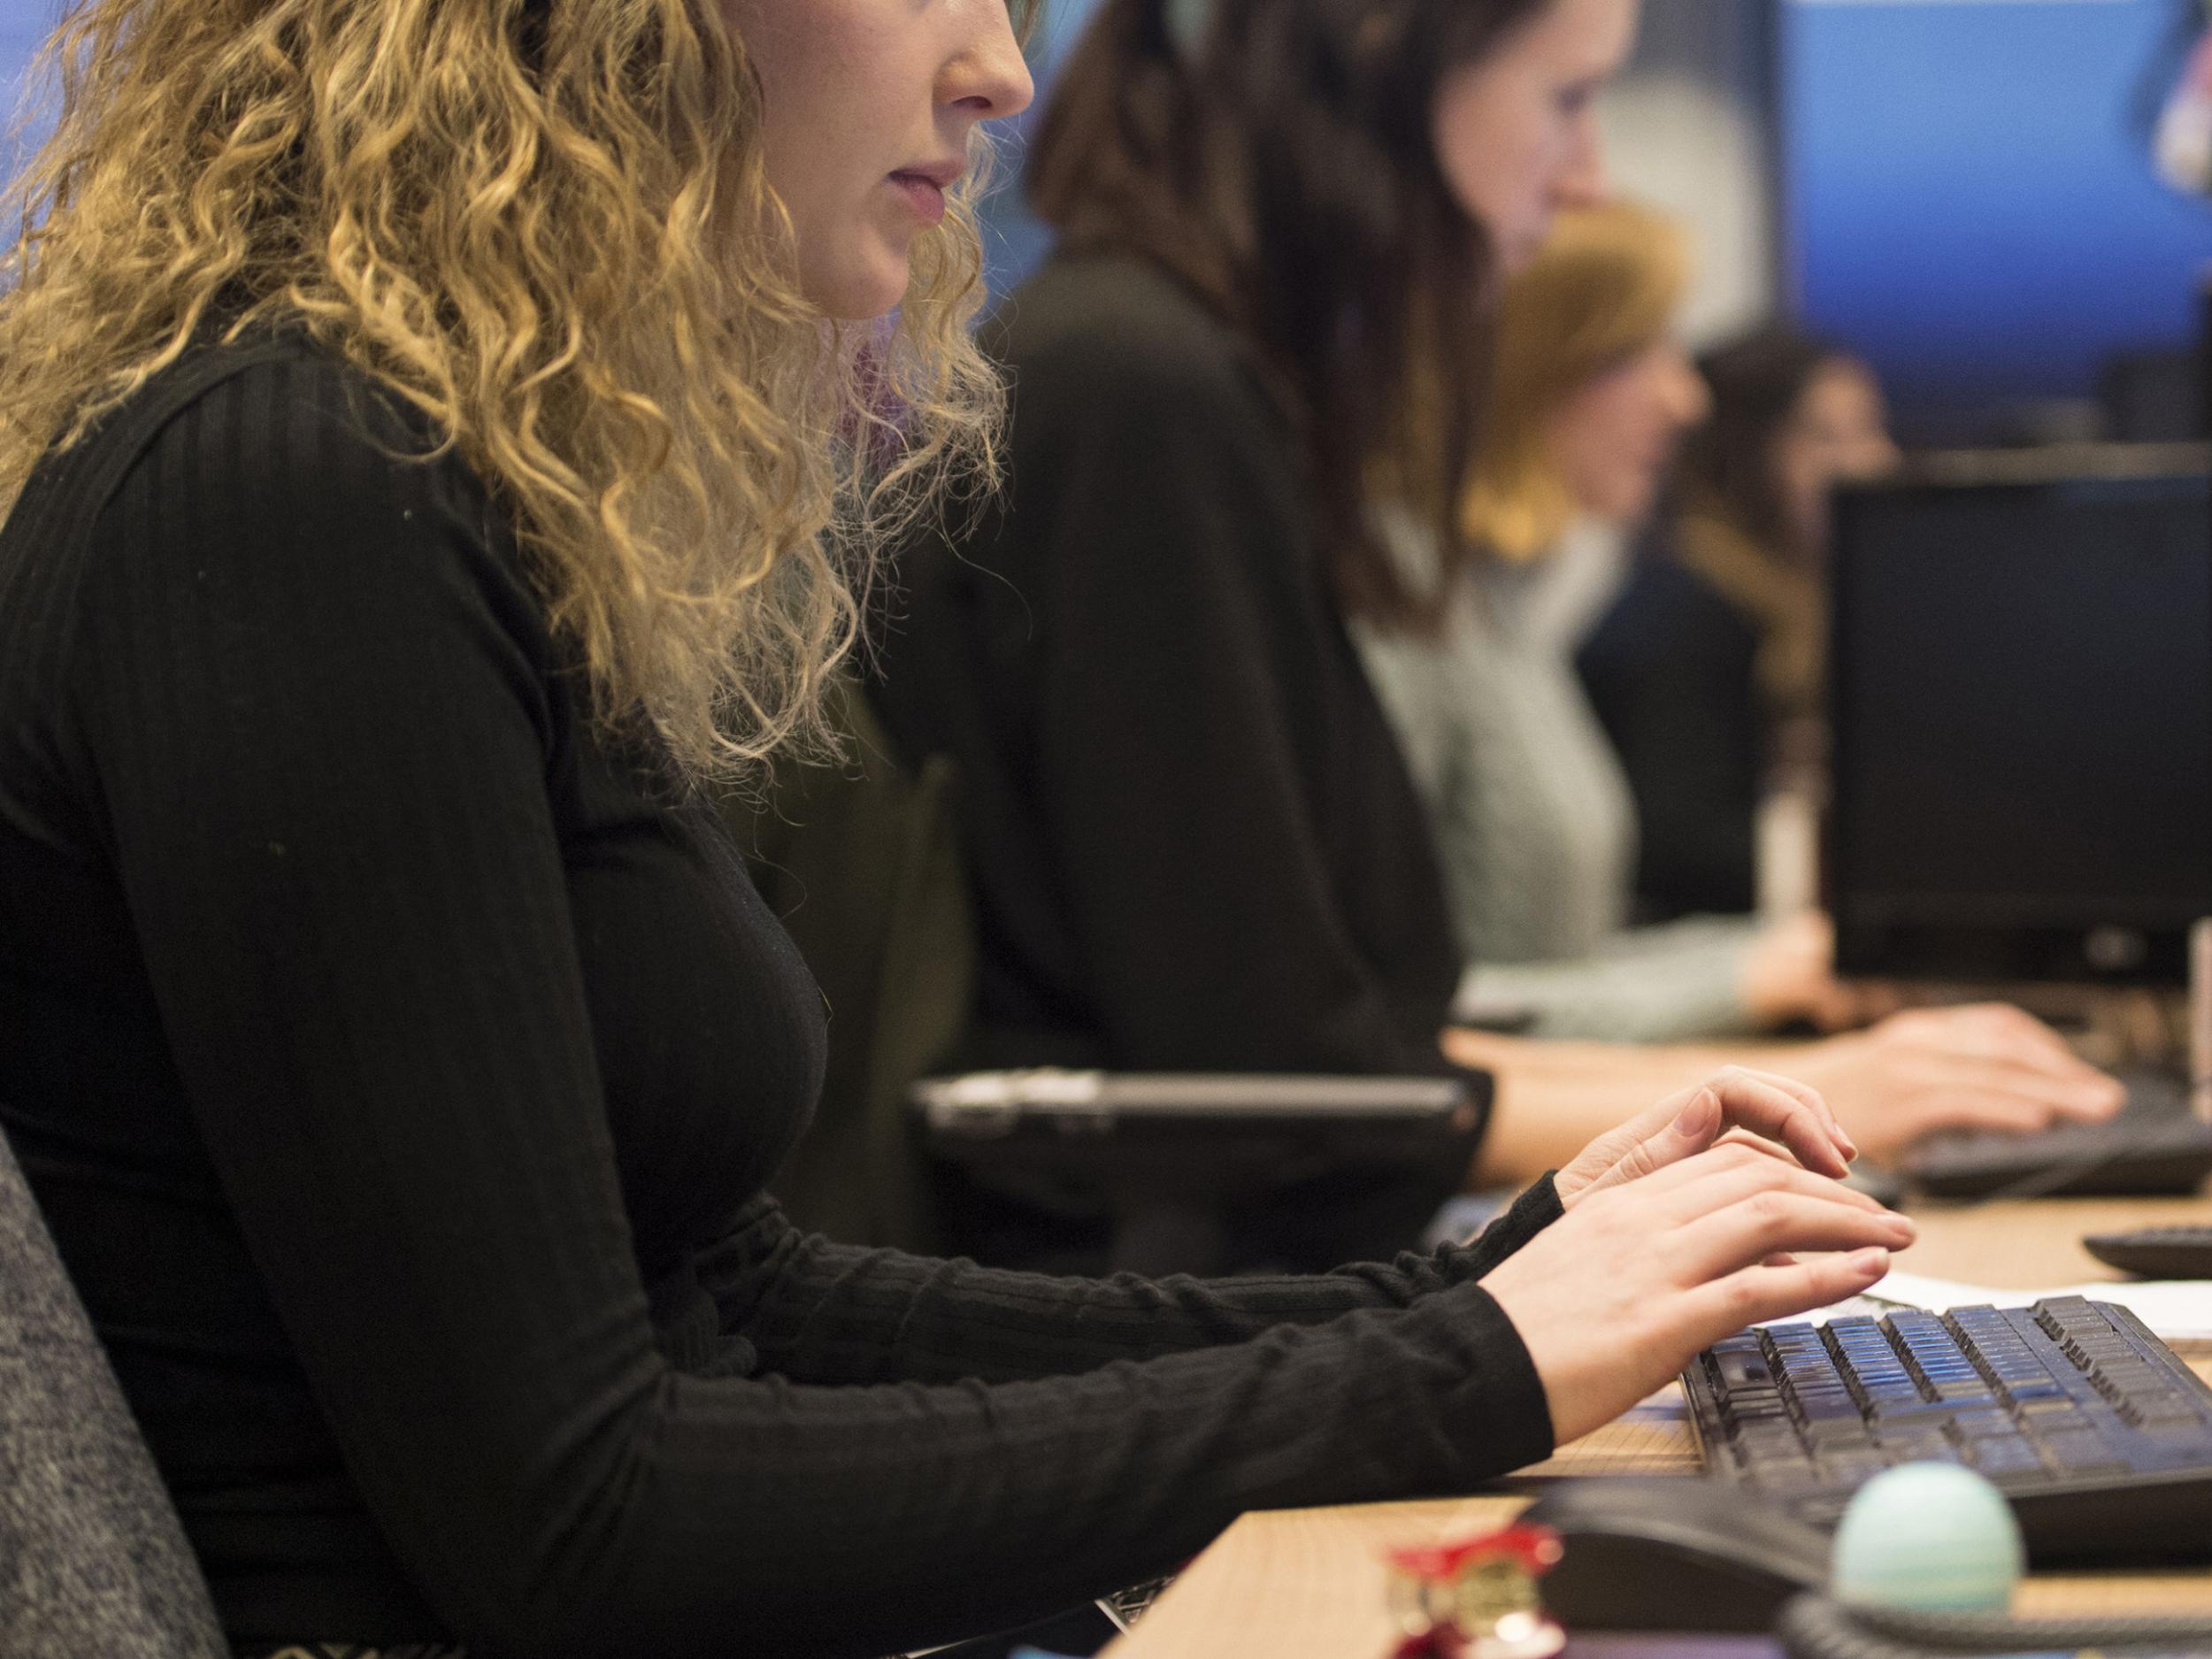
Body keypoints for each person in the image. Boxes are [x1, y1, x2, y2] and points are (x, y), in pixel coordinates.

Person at [0, 1, 1914, 1655]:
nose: (1000, 67)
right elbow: (576, 1516)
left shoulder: (453, 490)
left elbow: (737, 1292)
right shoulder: (293, 501)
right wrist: (1449, 1373)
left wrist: (1463, 1291)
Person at [873, 0, 2120, 1256]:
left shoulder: (1196, 383)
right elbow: (1290, 1089)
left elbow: (1351, 1055)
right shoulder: (1140, 388)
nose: (1584, 181)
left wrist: (1782, 1093)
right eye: (1567, 101)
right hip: (1161, 1333)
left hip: (1235, 1313)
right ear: (1370, 78)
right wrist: (1814, 1097)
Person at [1355, 200, 1854, 1043]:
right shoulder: (1396, 603)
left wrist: (1797, 959)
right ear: (1525, 366)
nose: (1686, 399)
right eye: (1637, 351)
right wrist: (1742, 981)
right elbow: (1395, 1020)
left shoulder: (1487, 604)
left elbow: (1572, 966)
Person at [1578, 326, 1901, 922]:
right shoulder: (1685, 606)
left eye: (1873, 429)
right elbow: (1674, 840)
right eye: (1830, 438)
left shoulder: (1795, 602)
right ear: (1746, 450)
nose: (1876, 462)